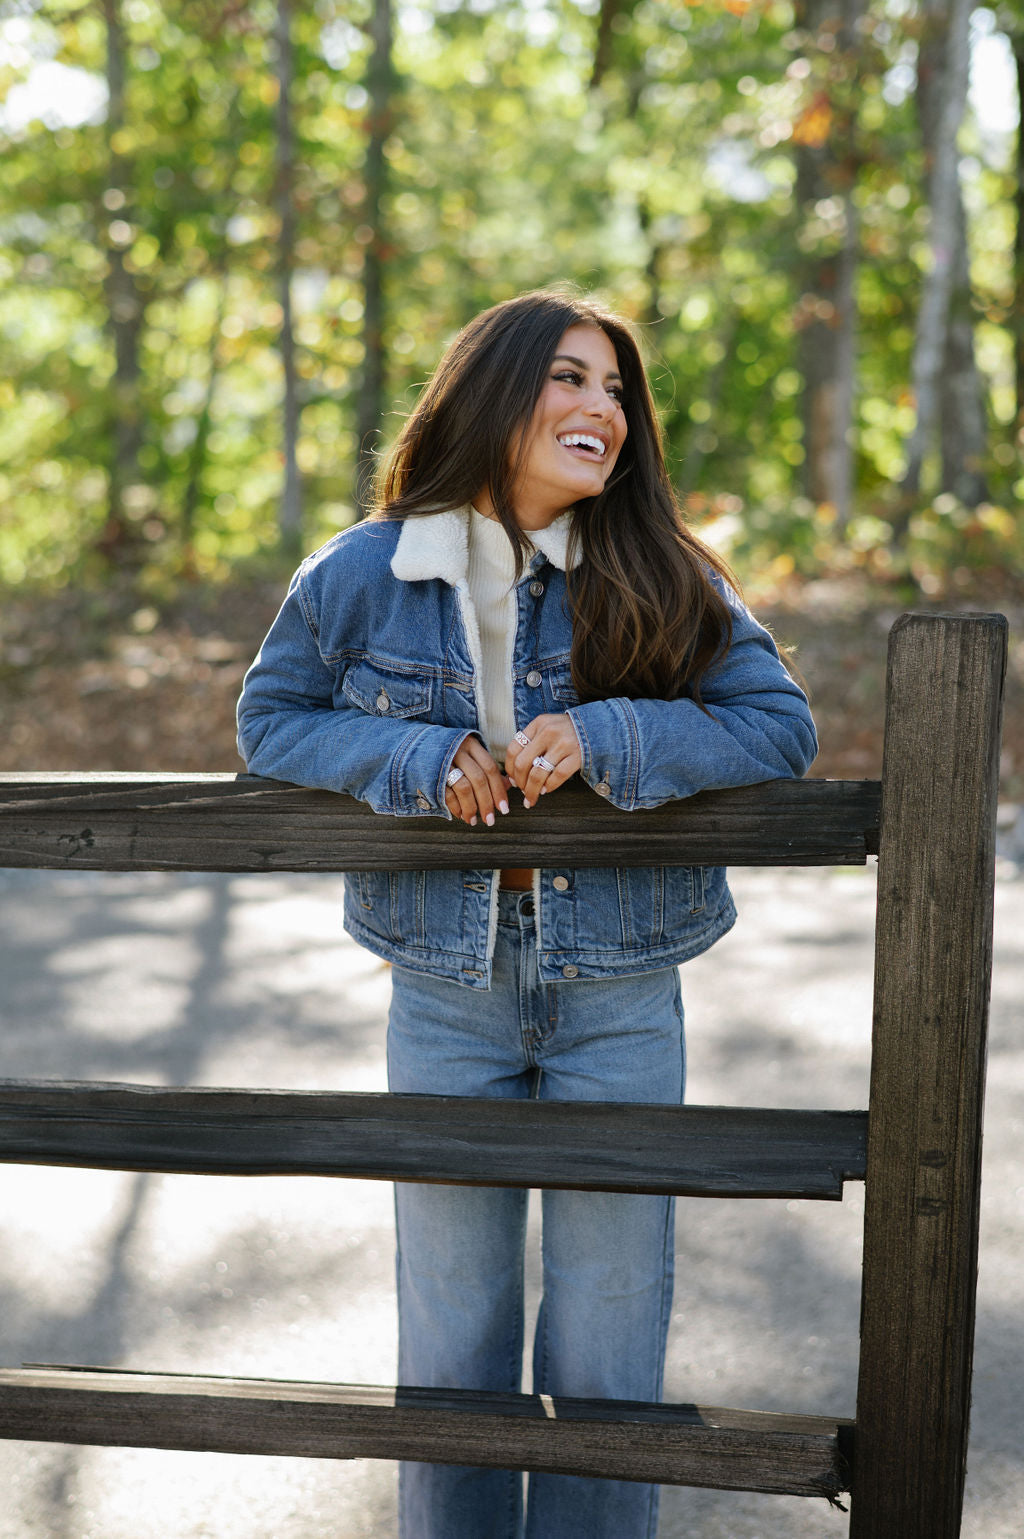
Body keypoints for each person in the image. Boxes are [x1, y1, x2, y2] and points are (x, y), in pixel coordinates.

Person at [236, 289, 817, 1539]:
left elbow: (781, 728)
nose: (600, 410)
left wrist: (610, 733)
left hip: (620, 991)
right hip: (442, 992)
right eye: (568, 379)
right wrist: (413, 762)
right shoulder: (360, 571)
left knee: (612, 1339)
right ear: (493, 394)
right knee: (453, 1334)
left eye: (615, 391)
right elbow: (269, 721)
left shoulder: (662, 570)